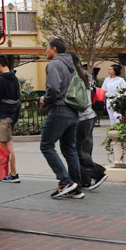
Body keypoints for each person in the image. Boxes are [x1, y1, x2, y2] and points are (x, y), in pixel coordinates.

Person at [39, 38, 83, 198]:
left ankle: (65, 181)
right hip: (73, 110)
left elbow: (53, 88)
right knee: (70, 149)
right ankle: (76, 186)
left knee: (46, 146)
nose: (46, 51)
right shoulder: (72, 65)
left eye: (47, 48)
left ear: (54, 49)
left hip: (59, 109)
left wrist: (46, 99)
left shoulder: (54, 65)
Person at [70, 52, 108, 190]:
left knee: (76, 150)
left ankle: (97, 173)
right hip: (90, 115)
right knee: (85, 149)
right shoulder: (87, 75)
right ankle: (85, 181)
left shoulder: (75, 77)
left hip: (81, 116)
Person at [0, 55, 21, 183]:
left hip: (3, 115)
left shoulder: (0, 79)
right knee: (0, 142)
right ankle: (4, 171)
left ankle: (13, 174)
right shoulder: (14, 77)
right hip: (13, 114)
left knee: (8, 144)